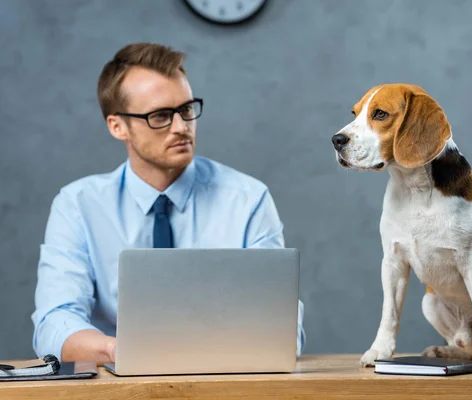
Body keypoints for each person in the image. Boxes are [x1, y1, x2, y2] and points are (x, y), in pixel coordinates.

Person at [31, 43, 305, 364]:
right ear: (117, 126)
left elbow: (282, 328)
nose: (181, 127)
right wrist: (119, 350)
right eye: (160, 116)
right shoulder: (78, 205)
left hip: (225, 384)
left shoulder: (248, 199)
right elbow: (54, 322)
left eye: (187, 109)